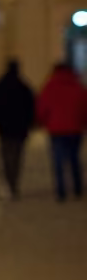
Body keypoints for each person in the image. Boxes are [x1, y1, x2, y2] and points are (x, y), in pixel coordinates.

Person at [0, 60, 36, 200]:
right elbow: (32, 108)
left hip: (4, 128)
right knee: (17, 157)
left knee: (5, 156)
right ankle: (14, 182)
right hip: (20, 129)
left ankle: (7, 184)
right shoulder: (24, 87)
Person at [36, 62, 87, 201]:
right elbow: (84, 108)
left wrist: (43, 122)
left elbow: (42, 108)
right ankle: (77, 188)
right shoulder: (78, 87)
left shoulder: (50, 87)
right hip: (75, 129)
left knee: (58, 160)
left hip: (56, 129)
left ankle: (61, 191)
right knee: (74, 159)